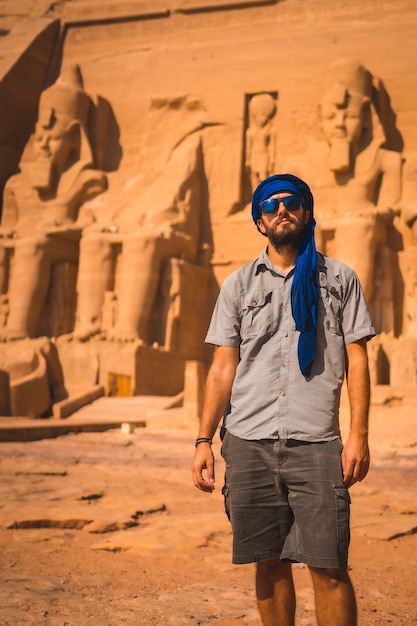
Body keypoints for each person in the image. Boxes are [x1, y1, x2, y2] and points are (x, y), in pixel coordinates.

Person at [192, 173, 375, 626]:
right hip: (248, 439)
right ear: (259, 222)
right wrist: (202, 440)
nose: (281, 211)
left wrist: (359, 435)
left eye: (291, 202)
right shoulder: (238, 285)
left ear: (307, 211)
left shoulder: (340, 279)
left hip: (315, 441)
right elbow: (222, 367)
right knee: (268, 562)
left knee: (328, 565)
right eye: (270, 207)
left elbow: (358, 361)